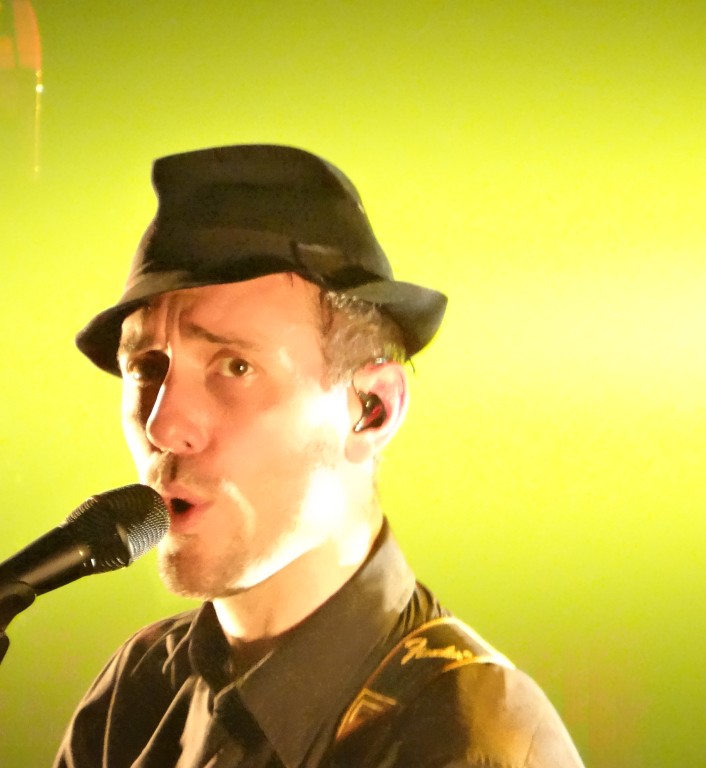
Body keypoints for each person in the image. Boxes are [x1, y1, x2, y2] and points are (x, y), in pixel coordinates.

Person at [54, 144, 585, 767]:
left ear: (372, 409)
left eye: (235, 366)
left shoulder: (469, 736)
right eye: (147, 368)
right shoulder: (139, 690)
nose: (164, 425)